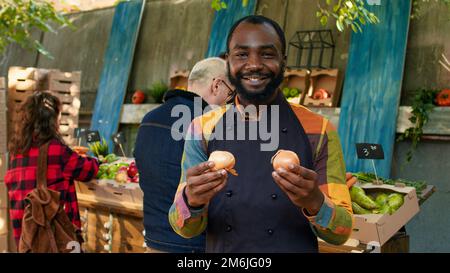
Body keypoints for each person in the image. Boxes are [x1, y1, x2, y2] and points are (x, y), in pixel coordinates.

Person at [168, 15, 353, 253]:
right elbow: (181, 226)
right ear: (228, 62)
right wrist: (191, 200)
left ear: (284, 61)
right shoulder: (201, 128)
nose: (254, 64)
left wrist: (314, 201)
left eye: (267, 54)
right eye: (242, 54)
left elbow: (342, 233)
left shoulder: (319, 129)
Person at [134, 57, 234, 253]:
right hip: (196, 246)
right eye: (231, 94)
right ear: (216, 85)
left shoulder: (149, 119)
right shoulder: (211, 127)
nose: (231, 102)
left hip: (154, 241)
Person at [4, 92, 99, 247]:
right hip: (55, 238)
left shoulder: (17, 152)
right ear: (51, 120)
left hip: (25, 238)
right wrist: (97, 161)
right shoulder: (56, 149)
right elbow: (88, 170)